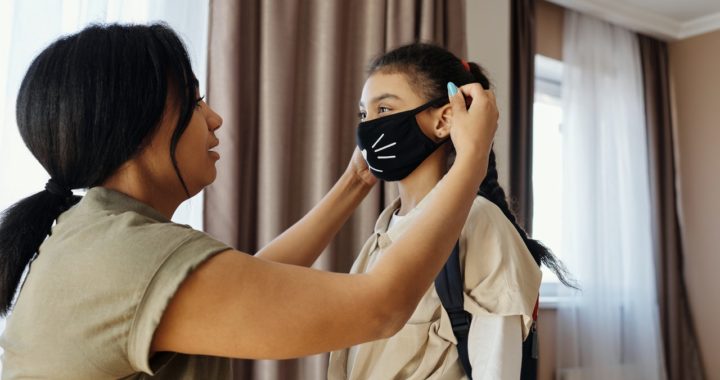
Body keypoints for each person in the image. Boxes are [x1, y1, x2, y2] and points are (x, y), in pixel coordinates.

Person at [0, 24, 498, 379]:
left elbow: (251, 280)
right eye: (194, 103)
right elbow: (381, 308)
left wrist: (353, 183)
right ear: (137, 125)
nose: (214, 119)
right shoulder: (124, 259)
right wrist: (472, 159)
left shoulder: (97, 237)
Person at [328, 43, 575, 380]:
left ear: (444, 119)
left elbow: (496, 370)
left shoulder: (480, 224)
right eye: (363, 114)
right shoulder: (382, 232)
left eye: (384, 109)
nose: (368, 128)